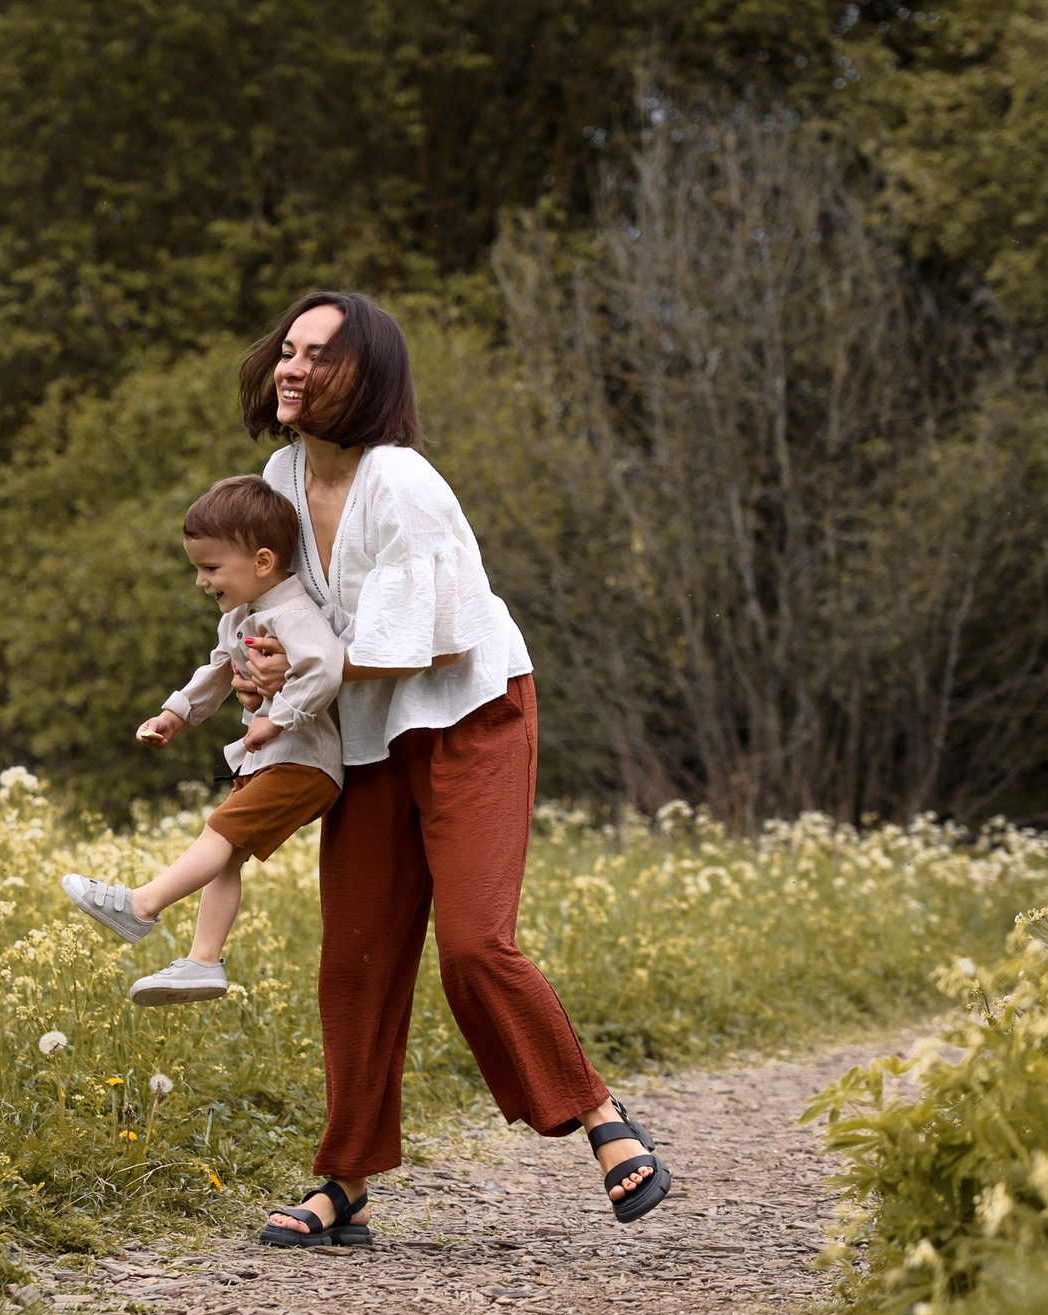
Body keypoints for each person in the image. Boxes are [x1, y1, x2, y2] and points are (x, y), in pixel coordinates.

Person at [232, 290, 672, 1250]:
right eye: (289, 351)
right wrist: (262, 666)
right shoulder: (277, 473)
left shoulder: (405, 484)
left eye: (320, 356)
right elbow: (293, 614)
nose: (293, 369)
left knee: (476, 944)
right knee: (355, 957)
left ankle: (598, 1115)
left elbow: (404, 647)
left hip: (470, 716)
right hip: (368, 732)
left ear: (368, 377)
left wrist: (307, 666)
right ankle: (343, 1184)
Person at [59, 475, 344, 1005]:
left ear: (262, 562)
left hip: (306, 761)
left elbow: (325, 669)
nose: (200, 581)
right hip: (277, 759)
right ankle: (203, 963)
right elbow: (217, 671)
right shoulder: (241, 615)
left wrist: (278, 718)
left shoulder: (293, 613)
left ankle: (141, 906)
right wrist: (176, 714)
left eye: (210, 568)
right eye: (197, 567)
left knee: (220, 829)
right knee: (227, 854)